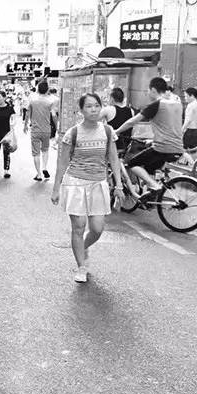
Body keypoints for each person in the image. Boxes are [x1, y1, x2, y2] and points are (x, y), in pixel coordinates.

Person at [51, 94, 124, 283]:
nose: (94, 109)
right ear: (81, 110)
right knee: (78, 227)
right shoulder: (73, 133)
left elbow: (114, 158)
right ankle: (81, 266)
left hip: (98, 183)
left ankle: (82, 247)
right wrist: (56, 188)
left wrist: (119, 185)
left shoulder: (107, 131)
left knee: (97, 228)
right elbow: (63, 162)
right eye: (89, 106)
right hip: (75, 183)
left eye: (97, 105)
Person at [114, 77, 185, 196]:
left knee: (132, 164)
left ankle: (155, 186)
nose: (147, 93)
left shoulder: (155, 105)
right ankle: (151, 195)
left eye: (148, 90)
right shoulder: (178, 104)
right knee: (149, 168)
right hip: (178, 148)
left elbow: (132, 122)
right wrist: (152, 140)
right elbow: (169, 127)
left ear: (153, 90)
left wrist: (116, 131)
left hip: (162, 148)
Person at [25, 80, 57, 181]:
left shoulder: (32, 101)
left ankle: (39, 174)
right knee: (45, 150)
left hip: (35, 130)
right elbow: (54, 115)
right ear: (47, 90)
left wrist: (25, 125)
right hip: (46, 130)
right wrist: (57, 126)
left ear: (38, 90)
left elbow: (27, 114)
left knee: (36, 153)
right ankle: (44, 167)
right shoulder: (50, 102)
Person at [100, 87, 136, 153]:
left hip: (113, 147)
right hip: (127, 147)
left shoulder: (108, 109)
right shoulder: (131, 111)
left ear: (112, 99)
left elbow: (93, 120)